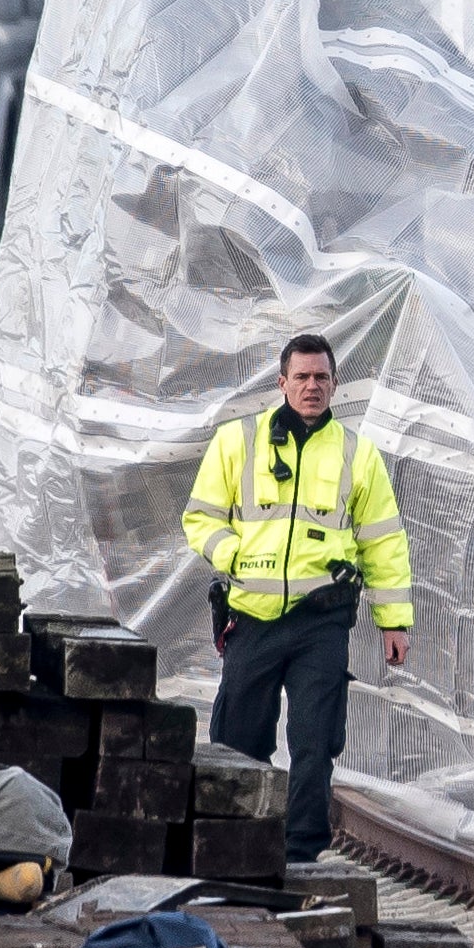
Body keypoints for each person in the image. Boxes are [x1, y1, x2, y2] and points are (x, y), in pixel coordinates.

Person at [181, 331, 413, 859]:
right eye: (302, 377)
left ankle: (302, 853)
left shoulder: (358, 454)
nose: (312, 387)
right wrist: (234, 556)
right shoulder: (238, 440)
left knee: (314, 742)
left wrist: (393, 620)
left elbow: (383, 542)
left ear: (335, 384)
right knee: (240, 740)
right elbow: (200, 517)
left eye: (322, 377)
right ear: (282, 382)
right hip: (251, 616)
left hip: (321, 622)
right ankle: (237, 845)